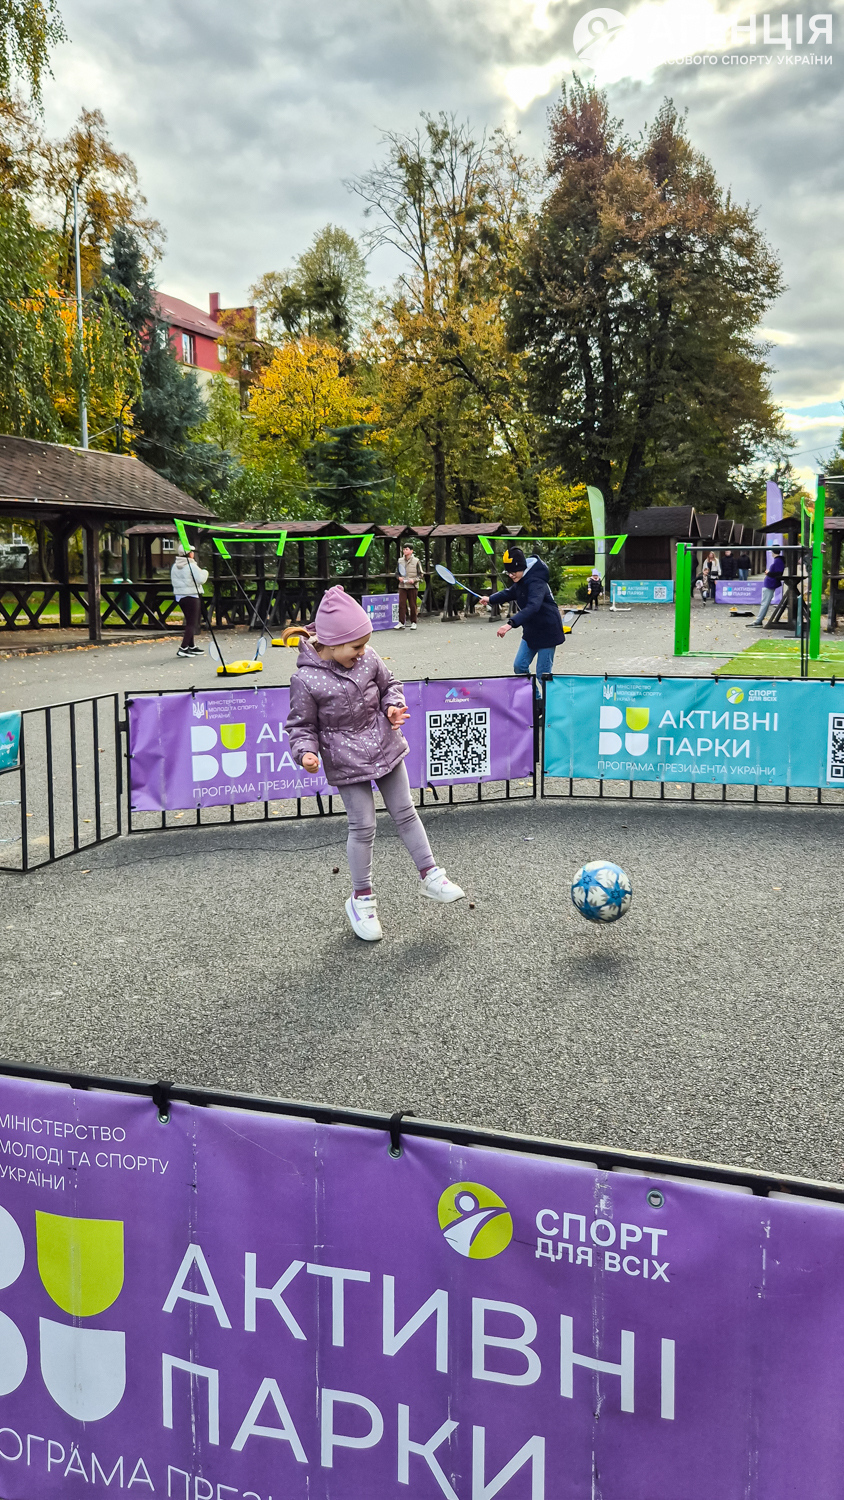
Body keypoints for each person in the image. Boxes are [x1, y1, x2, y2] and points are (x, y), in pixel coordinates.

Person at [286, 586, 464, 941]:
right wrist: (305, 751)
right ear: (332, 643)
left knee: (405, 811)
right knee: (363, 826)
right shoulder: (305, 679)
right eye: (356, 646)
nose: (362, 652)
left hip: (384, 744)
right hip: (344, 758)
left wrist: (392, 707)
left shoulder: (367, 657)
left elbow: (389, 685)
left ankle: (431, 874)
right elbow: (301, 725)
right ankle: (362, 900)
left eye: (365, 644)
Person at [477, 547, 565, 680]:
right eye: (508, 572)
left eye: (513, 572)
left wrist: (510, 624)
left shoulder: (537, 582)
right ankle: (533, 693)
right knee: (519, 666)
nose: (511, 575)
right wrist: (490, 599)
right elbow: (509, 592)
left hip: (548, 631)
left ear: (522, 567)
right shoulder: (521, 580)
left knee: (543, 675)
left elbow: (533, 606)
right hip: (531, 630)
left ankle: (546, 694)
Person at [171, 544, 209, 658]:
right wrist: (205, 572)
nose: (193, 553)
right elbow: (201, 579)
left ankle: (191, 646)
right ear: (189, 554)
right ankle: (183, 647)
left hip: (180, 596)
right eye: (192, 552)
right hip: (191, 595)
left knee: (189, 621)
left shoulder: (175, 566)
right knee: (193, 622)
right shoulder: (191, 565)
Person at [748, 546, 785, 627]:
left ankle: (758, 621)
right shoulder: (779, 560)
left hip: (770, 583)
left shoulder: (777, 561)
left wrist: (768, 573)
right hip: (770, 583)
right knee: (765, 602)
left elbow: (777, 573)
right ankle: (758, 620)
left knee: (765, 603)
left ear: (773, 552)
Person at [395, 543, 423, 630]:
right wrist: (399, 578)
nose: (404, 551)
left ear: (411, 551)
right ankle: (401, 622)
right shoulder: (400, 560)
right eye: (404, 549)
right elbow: (396, 573)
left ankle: (414, 622)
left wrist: (414, 580)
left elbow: (421, 574)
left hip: (412, 586)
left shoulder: (416, 561)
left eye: (406, 549)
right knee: (401, 604)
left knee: (412, 605)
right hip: (402, 586)